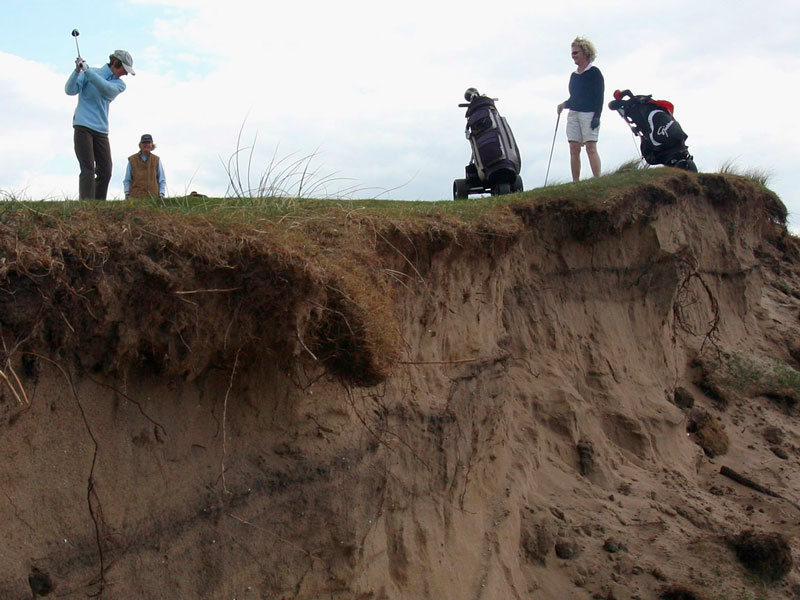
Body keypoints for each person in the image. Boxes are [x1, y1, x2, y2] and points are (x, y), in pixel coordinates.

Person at [65, 50, 135, 200]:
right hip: (82, 125)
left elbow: (106, 89)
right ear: (116, 63)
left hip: (101, 130)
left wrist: (87, 71)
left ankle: (98, 204)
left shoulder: (119, 84)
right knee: (88, 168)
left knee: (106, 170)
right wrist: (77, 71)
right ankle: (87, 203)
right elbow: (70, 90)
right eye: (125, 69)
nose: (126, 74)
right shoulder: (88, 72)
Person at [557, 37, 604, 182]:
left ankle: (597, 179)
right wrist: (564, 104)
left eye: (576, 52)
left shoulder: (594, 72)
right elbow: (574, 97)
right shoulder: (574, 75)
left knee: (591, 147)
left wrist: (597, 116)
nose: (573, 56)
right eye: (572, 53)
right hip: (574, 113)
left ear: (585, 53)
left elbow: (599, 97)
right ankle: (575, 181)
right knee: (574, 148)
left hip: (589, 113)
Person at [124, 134, 166, 199]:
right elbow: (127, 179)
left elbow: (162, 179)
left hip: (153, 198)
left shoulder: (156, 160)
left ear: (152, 145)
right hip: (135, 197)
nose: (146, 144)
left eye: (148, 142)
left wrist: (161, 194)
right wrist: (127, 193)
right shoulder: (132, 160)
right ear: (140, 144)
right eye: (144, 142)